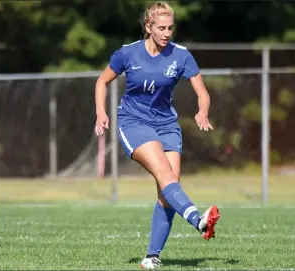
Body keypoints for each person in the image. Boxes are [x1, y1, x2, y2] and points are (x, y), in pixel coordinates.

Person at [94, 2, 220, 269]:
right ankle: (198, 220)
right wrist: (100, 112)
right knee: (165, 176)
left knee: (168, 191)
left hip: (167, 126)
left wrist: (202, 111)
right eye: (161, 28)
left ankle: (152, 257)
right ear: (148, 27)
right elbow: (102, 81)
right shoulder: (127, 54)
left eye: (170, 28)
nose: (166, 33)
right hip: (134, 122)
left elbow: (203, 93)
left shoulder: (181, 56)